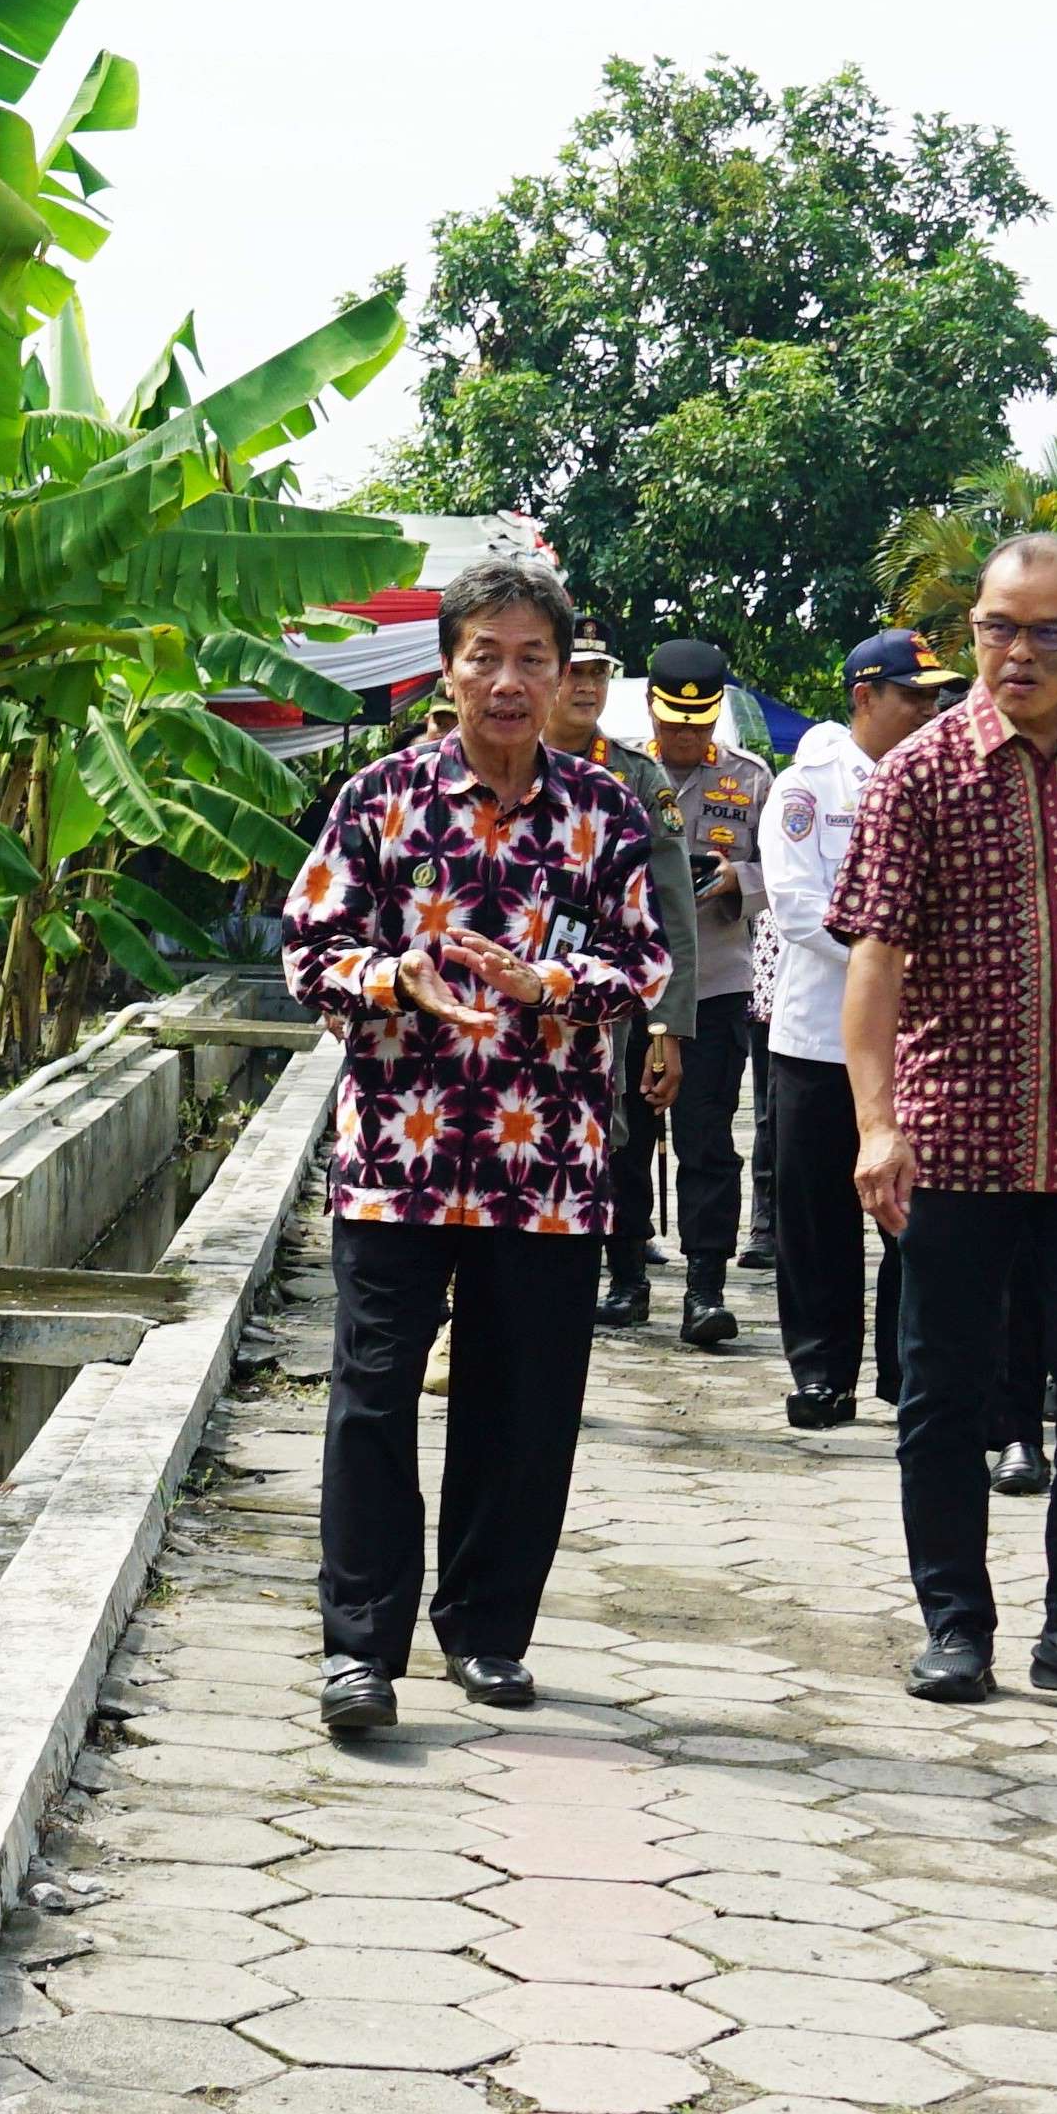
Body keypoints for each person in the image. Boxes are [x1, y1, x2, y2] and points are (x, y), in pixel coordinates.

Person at [278, 552, 677, 1737]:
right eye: (485, 656)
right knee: (371, 1399)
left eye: (532, 660)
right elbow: (310, 949)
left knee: (526, 1405)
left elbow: (644, 962)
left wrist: (545, 978)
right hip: (397, 1156)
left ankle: (489, 1632)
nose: (508, 680)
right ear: (445, 669)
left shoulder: (608, 812)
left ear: (563, 679)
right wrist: (393, 974)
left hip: (546, 1167)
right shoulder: (380, 800)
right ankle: (361, 1651)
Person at [835, 533, 1057, 1711]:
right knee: (945, 1387)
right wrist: (876, 1123)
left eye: (1048, 630)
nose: (1020, 652)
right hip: (956, 1135)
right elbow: (877, 959)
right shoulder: (921, 772)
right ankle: (955, 1619)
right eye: (999, 626)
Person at [761, 631, 944, 1428]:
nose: (930, 709)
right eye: (914, 694)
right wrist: (888, 956)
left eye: (937, 694)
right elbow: (795, 904)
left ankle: (909, 1375)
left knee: (920, 1214)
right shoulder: (807, 787)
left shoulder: (945, 781)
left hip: (918, 1040)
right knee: (814, 1218)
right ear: (866, 696)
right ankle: (820, 1370)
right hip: (818, 1037)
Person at [562, 631, 703, 1328]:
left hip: (612, 995)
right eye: (573, 671)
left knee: (622, 1136)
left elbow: (673, 902)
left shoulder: (637, 776)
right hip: (516, 997)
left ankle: (621, 1274)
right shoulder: (506, 763)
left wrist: (665, 1022)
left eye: (598, 673)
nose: (585, 687)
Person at [642, 637, 771, 1351]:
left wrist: (734, 881)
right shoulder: (619, 773)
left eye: (698, 723)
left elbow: (782, 878)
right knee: (622, 1140)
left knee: (706, 1141)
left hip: (715, 988)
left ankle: (704, 1289)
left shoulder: (749, 780)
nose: (685, 734)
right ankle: (624, 1273)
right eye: (673, 723)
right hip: (631, 988)